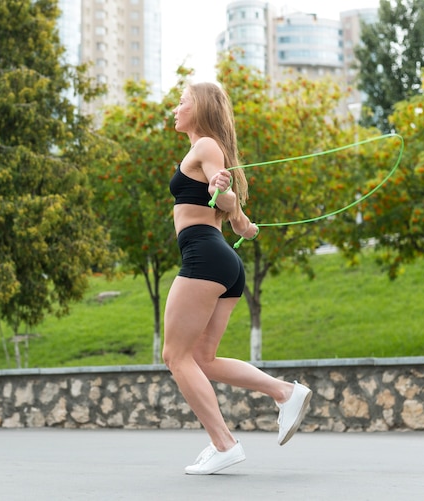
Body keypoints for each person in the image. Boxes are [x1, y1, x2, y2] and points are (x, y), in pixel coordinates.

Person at [162, 82, 313, 475]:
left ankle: (224, 443)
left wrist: (221, 192)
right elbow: (235, 212)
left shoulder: (206, 146)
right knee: (201, 358)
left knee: (175, 355)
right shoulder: (210, 149)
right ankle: (285, 392)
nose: (175, 109)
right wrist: (242, 223)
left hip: (203, 256)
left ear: (201, 108)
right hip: (223, 261)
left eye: (182, 102)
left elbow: (225, 197)